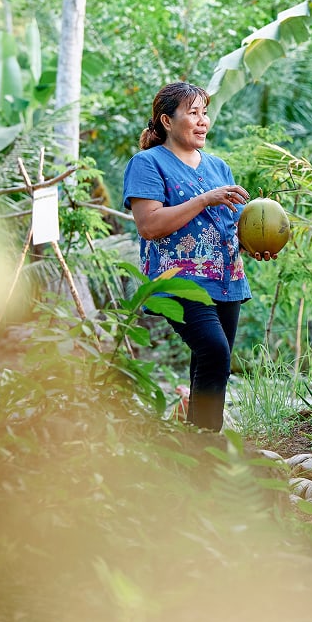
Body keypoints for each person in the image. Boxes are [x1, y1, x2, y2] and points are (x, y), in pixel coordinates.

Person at [123, 82, 268, 431]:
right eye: (193, 113)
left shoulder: (219, 167)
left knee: (211, 362)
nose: (203, 121)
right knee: (215, 353)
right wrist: (205, 199)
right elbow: (149, 225)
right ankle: (204, 449)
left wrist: (255, 244)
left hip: (225, 280)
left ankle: (198, 444)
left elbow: (229, 226)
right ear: (167, 121)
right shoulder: (147, 163)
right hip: (179, 282)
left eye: (204, 113)